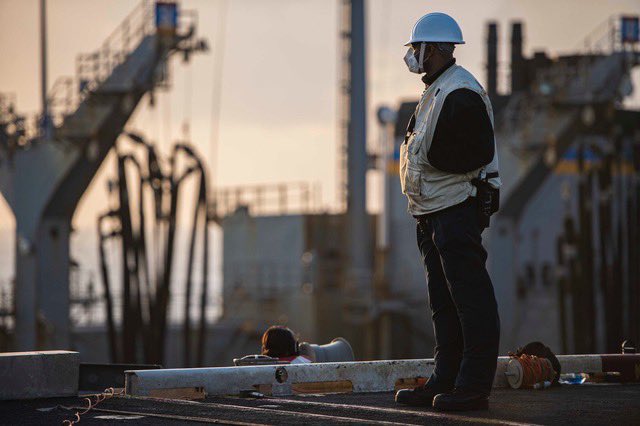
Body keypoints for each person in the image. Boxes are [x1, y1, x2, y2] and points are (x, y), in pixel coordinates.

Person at [394, 12, 502, 411]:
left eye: (416, 48)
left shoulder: (460, 92)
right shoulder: (437, 90)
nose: (412, 56)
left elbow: (476, 151)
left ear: (434, 50)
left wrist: (436, 163)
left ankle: (473, 387)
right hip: (433, 212)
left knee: (470, 299)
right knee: (444, 301)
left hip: (456, 210)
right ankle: (447, 378)